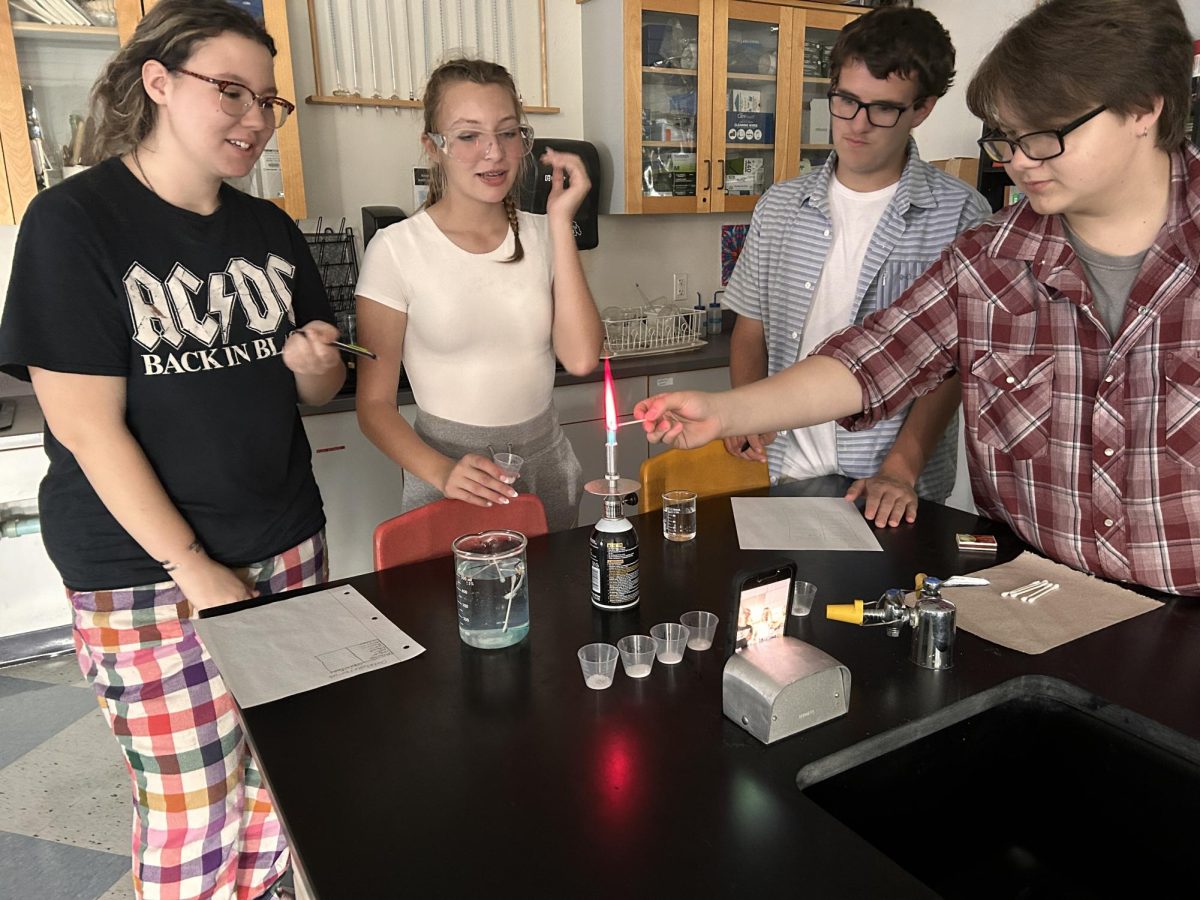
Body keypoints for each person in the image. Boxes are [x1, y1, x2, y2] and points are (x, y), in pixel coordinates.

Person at [636, 0, 1200, 597]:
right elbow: (875, 357)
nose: (1020, 163)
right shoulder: (990, 257)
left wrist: (901, 466)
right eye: (1007, 140)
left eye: (1045, 136)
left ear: (1144, 108)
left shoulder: (957, 213)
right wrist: (726, 411)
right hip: (1032, 594)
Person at [0, 1, 345, 896]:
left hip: (286, 545)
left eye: (268, 100)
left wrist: (315, 365)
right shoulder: (73, 222)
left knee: (284, 784)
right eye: (230, 91)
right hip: (146, 573)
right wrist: (195, 567)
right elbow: (83, 424)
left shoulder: (269, 231)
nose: (255, 119)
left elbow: (314, 389)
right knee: (196, 811)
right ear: (157, 82)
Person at [723, 5, 990, 527]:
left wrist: (901, 466)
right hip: (788, 471)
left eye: (883, 109)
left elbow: (954, 364)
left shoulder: (960, 213)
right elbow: (749, 327)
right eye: (846, 101)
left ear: (923, 108)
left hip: (889, 485)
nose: (857, 125)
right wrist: (744, 410)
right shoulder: (779, 206)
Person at [355, 58, 602, 532]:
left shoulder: (545, 234)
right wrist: (442, 472)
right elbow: (374, 406)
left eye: (508, 133)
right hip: (447, 470)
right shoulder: (396, 249)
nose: (494, 153)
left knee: (557, 602)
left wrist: (559, 224)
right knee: (451, 604)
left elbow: (581, 357)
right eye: (469, 136)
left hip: (545, 462)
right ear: (433, 145)